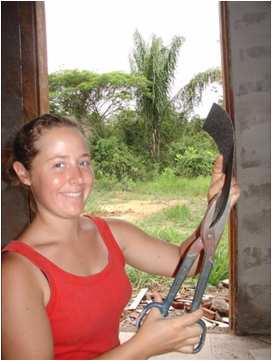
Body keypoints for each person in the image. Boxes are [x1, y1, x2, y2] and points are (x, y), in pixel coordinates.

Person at [2, 114, 240, 360]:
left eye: (83, 162)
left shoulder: (113, 234)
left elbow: (186, 264)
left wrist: (216, 210)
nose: (77, 178)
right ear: (24, 173)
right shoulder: (16, 273)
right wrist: (143, 347)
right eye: (59, 165)